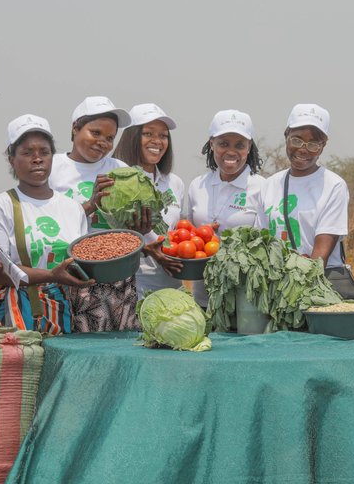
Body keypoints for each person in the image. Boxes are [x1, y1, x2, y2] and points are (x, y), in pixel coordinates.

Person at [0, 115, 97, 330]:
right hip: (14, 316)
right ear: (12, 159)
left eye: (44, 152)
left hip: (62, 313)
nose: (37, 159)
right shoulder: (1, 206)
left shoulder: (72, 208)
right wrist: (50, 276)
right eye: (27, 153)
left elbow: (79, 263)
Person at [47, 96, 145, 332]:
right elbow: (46, 221)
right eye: (96, 133)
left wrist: (140, 227)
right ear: (75, 127)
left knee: (118, 347)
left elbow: (127, 230)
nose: (102, 142)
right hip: (70, 275)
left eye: (110, 138)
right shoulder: (53, 168)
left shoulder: (120, 170)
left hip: (116, 278)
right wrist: (90, 205)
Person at [183, 109, 266, 307]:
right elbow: (189, 238)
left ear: (249, 146)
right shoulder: (197, 186)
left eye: (239, 145)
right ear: (212, 144)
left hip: (245, 299)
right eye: (223, 144)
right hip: (204, 297)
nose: (231, 151)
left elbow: (265, 245)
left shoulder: (263, 187)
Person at [112, 103, 188, 298]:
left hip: (171, 285)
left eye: (163, 135)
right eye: (148, 134)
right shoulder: (116, 178)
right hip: (128, 289)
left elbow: (176, 234)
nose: (157, 141)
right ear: (132, 136)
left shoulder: (175, 183)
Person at [262, 104, 349, 267]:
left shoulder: (334, 186)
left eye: (313, 144)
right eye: (297, 140)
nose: (303, 149)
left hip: (314, 285)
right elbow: (262, 242)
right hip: (275, 287)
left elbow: (319, 260)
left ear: (323, 145)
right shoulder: (270, 185)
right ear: (286, 134)